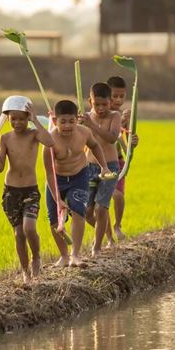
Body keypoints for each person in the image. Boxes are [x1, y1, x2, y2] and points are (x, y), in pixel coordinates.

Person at [0, 98, 54, 284]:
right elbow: (0, 167)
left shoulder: (34, 134)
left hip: (30, 191)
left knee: (29, 228)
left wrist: (36, 120)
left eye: (21, 119)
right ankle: (25, 272)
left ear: (28, 117)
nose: (17, 123)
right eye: (13, 119)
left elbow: (50, 141)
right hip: (11, 193)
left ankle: (37, 257)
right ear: (7, 118)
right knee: (18, 234)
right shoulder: (6, 138)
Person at [44, 100, 111, 267]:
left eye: (71, 121)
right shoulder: (49, 142)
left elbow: (95, 146)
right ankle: (64, 256)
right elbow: (49, 173)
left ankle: (75, 255)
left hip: (79, 176)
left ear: (77, 119)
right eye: (63, 122)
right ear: (54, 121)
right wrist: (57, 198)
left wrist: (104, 166)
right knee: (54, 220)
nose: (67, 126)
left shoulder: (84, 133)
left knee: (78, 211)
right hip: (56, 179)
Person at [81, 82, 122, 256]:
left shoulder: (115, 116)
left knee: (101, 207)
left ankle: (97, 247)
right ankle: (108, 236)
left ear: (110, 102)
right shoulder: (85, 117)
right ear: (90, 102)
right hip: (89, 167)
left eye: (104, 104)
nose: (100, 108)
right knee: (87, 212)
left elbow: (112, 138)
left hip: (110, 167)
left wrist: (92, 125)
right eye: (96, 104)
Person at [107, 75, 139, 241]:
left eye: (122, 96)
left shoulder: (124, 116)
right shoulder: (100, 115)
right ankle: (106, 235)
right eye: (114, 96)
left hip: (118, 162)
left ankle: (117, 225)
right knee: (100, 204)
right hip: (99, 163)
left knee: (118, 195)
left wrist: (133, 141)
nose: (118, 100)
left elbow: (127, 143)